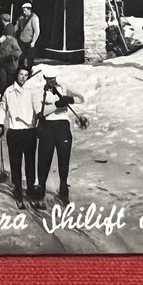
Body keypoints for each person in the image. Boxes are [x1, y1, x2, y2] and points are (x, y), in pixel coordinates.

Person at [34, 74, 84, 207]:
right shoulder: (40, 92)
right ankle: (41, 187)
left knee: (64, 158)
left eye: (53, 79)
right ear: (45, 79)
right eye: (48, 79)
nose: (51, 82)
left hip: (63, 126)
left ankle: (63, 188)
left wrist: (70, 99)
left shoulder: (63, 88)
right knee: (44, 159)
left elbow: (82, 98)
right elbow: (40, 112)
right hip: (47, 126)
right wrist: (57, 105)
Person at [0, 66, 39, 208]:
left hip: (29, 131)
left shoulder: (31, 91)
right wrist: (0, 123)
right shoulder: (9, 91)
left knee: (30, 162)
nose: (23, 78)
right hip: (14, 132)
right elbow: (3, 108)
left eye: (26, 75)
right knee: (16, 162)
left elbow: (38, 108)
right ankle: (18, 189)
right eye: (21, 74)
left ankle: (30, 189)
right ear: (16, 75)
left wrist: (40, 121)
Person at [14, 0, 40, 70]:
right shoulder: (21, 17)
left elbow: (37, 31)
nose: (23, 12)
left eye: (25, 10)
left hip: (30, 41)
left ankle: (29, 70)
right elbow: (16, 27)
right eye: (23, 10)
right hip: (22, 40)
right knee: (21, 57)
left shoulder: (34, 18)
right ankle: (20, 70)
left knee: (30, 58)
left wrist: (33, 41)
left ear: (29, 10)